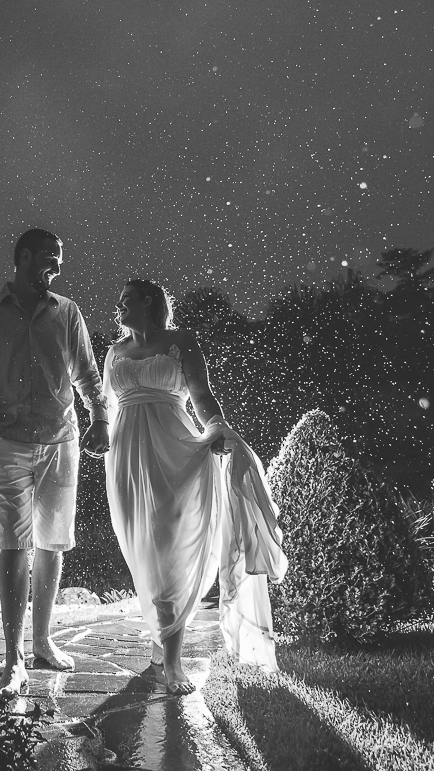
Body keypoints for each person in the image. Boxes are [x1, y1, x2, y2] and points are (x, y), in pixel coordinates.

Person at [103, 279, 286, 694]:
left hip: (176, 449)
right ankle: (160, 634)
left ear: (149, 302)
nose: (119, 308)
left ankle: (171, 660)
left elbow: (202, 395)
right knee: (144, 548)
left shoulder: (181, 340)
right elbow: (106, 407)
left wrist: (217, 427)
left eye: (126, 300)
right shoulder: (114, 352)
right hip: (127, 457)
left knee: (169, 545)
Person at [0, 228, 111, 695]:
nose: (58, 267)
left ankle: (43, 641)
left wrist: (99, 419)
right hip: (4, 442)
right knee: (12, 544)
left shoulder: (67, 312)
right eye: (50, 257)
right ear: (23, 258)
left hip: (60, 440)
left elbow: (86, 371)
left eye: (59, 259)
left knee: (52, 543)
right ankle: (13, 660)